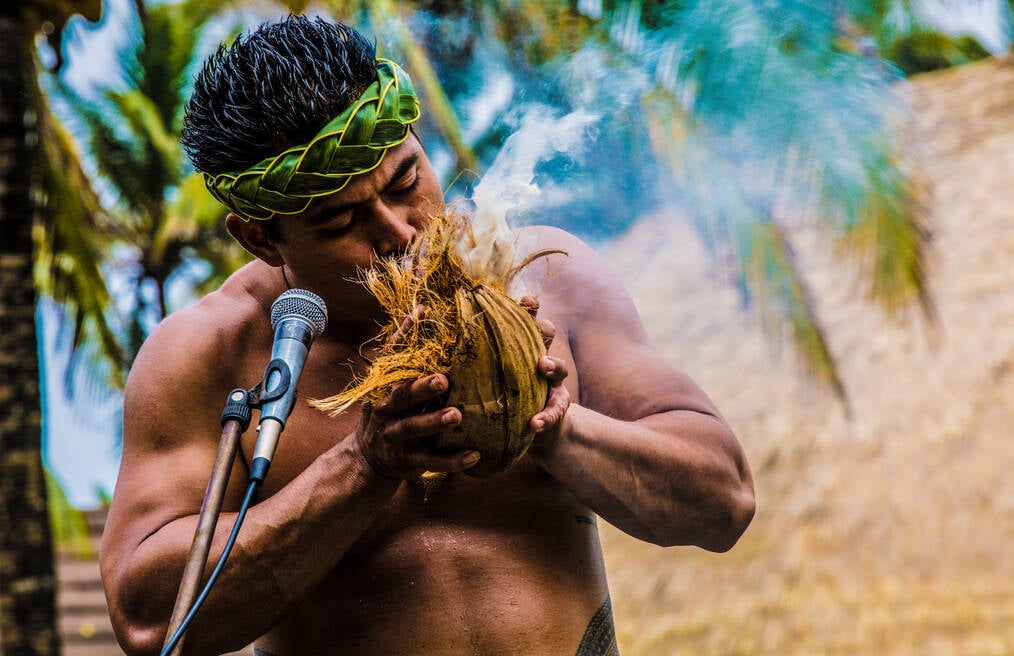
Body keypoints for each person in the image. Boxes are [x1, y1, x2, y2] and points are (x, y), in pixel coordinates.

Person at [100, 14, 754, 656]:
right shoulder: (211, 353)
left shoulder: (548, 275)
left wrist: (554, 427)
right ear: (260, 237)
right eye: (340, 221)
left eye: (406, 181)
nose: (399, 231)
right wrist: (363, 467)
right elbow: (151, 622)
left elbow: (724, 501)